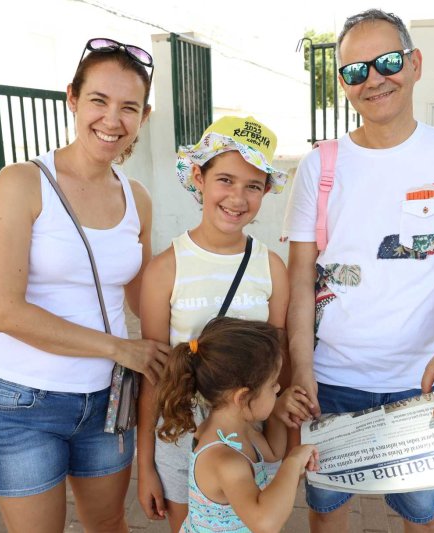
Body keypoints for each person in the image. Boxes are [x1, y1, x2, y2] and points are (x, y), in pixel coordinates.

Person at [283, 9, 434, 533]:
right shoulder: (320, 165)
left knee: (422, 516)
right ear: (343, 83)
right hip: (331, 381)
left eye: (387, 62)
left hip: (417, 384)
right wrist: (302, 369)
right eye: (356, 70)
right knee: (328, 512)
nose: (374, 79)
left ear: (415, 62)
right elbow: (299, 280)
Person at [0, 38, 170, 532]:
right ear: (72, 99)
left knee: (108, 527)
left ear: (143, 118)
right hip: (22, 402)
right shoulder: (22, 181)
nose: (112, 119)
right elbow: (4, 311)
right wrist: (119, 348)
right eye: (99, 101)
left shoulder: (136, 198)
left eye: (128, 107)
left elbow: (142, 294)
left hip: (107, 401)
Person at [137, 115, 291, 531]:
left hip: (251, 429)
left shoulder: (272, 268)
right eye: (225, 179)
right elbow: (153, 373)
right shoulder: (165, 269)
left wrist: (287, 437)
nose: (238, 198)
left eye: (253, 185)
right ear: (199, 178)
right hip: (178, 429)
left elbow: (280, 361)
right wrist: (146, 463)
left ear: (265, 192)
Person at [155, 317, 319, 532]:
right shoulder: (225, 459)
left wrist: (277, 414)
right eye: (272, 385)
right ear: (242, 397)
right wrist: (294, 462)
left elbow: (272, 452)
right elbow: (265, 522)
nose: (278, 388)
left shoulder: (230, 430)